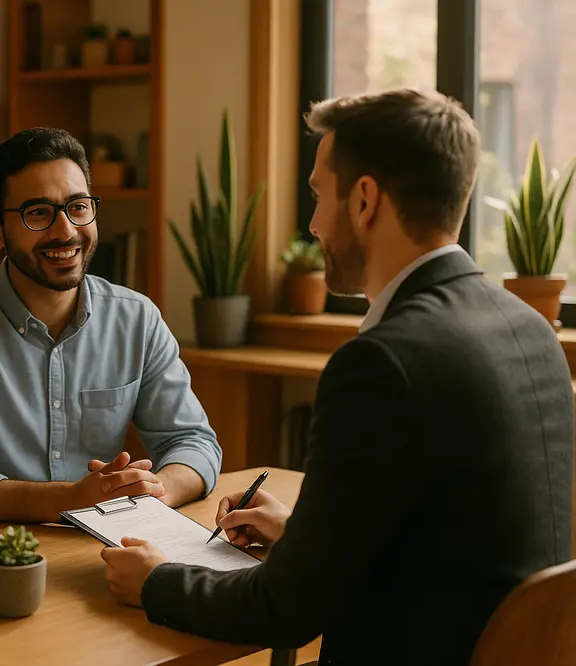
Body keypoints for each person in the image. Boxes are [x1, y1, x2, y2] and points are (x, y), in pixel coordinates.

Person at [100, 88, 575, 666]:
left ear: (365, 200)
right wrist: (307, 535)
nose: (314, 223)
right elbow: (456, 533)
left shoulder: (383, 362)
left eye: (321, 194)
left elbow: (288, 609)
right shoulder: (529, 328)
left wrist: (155, 581)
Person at [0, 127, 222, 522]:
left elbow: (193, 441)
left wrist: (154, 493)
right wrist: (68, 500)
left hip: (107, 542)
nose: (65, 231)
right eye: (38, 213)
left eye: (78, 207)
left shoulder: (136, 319)